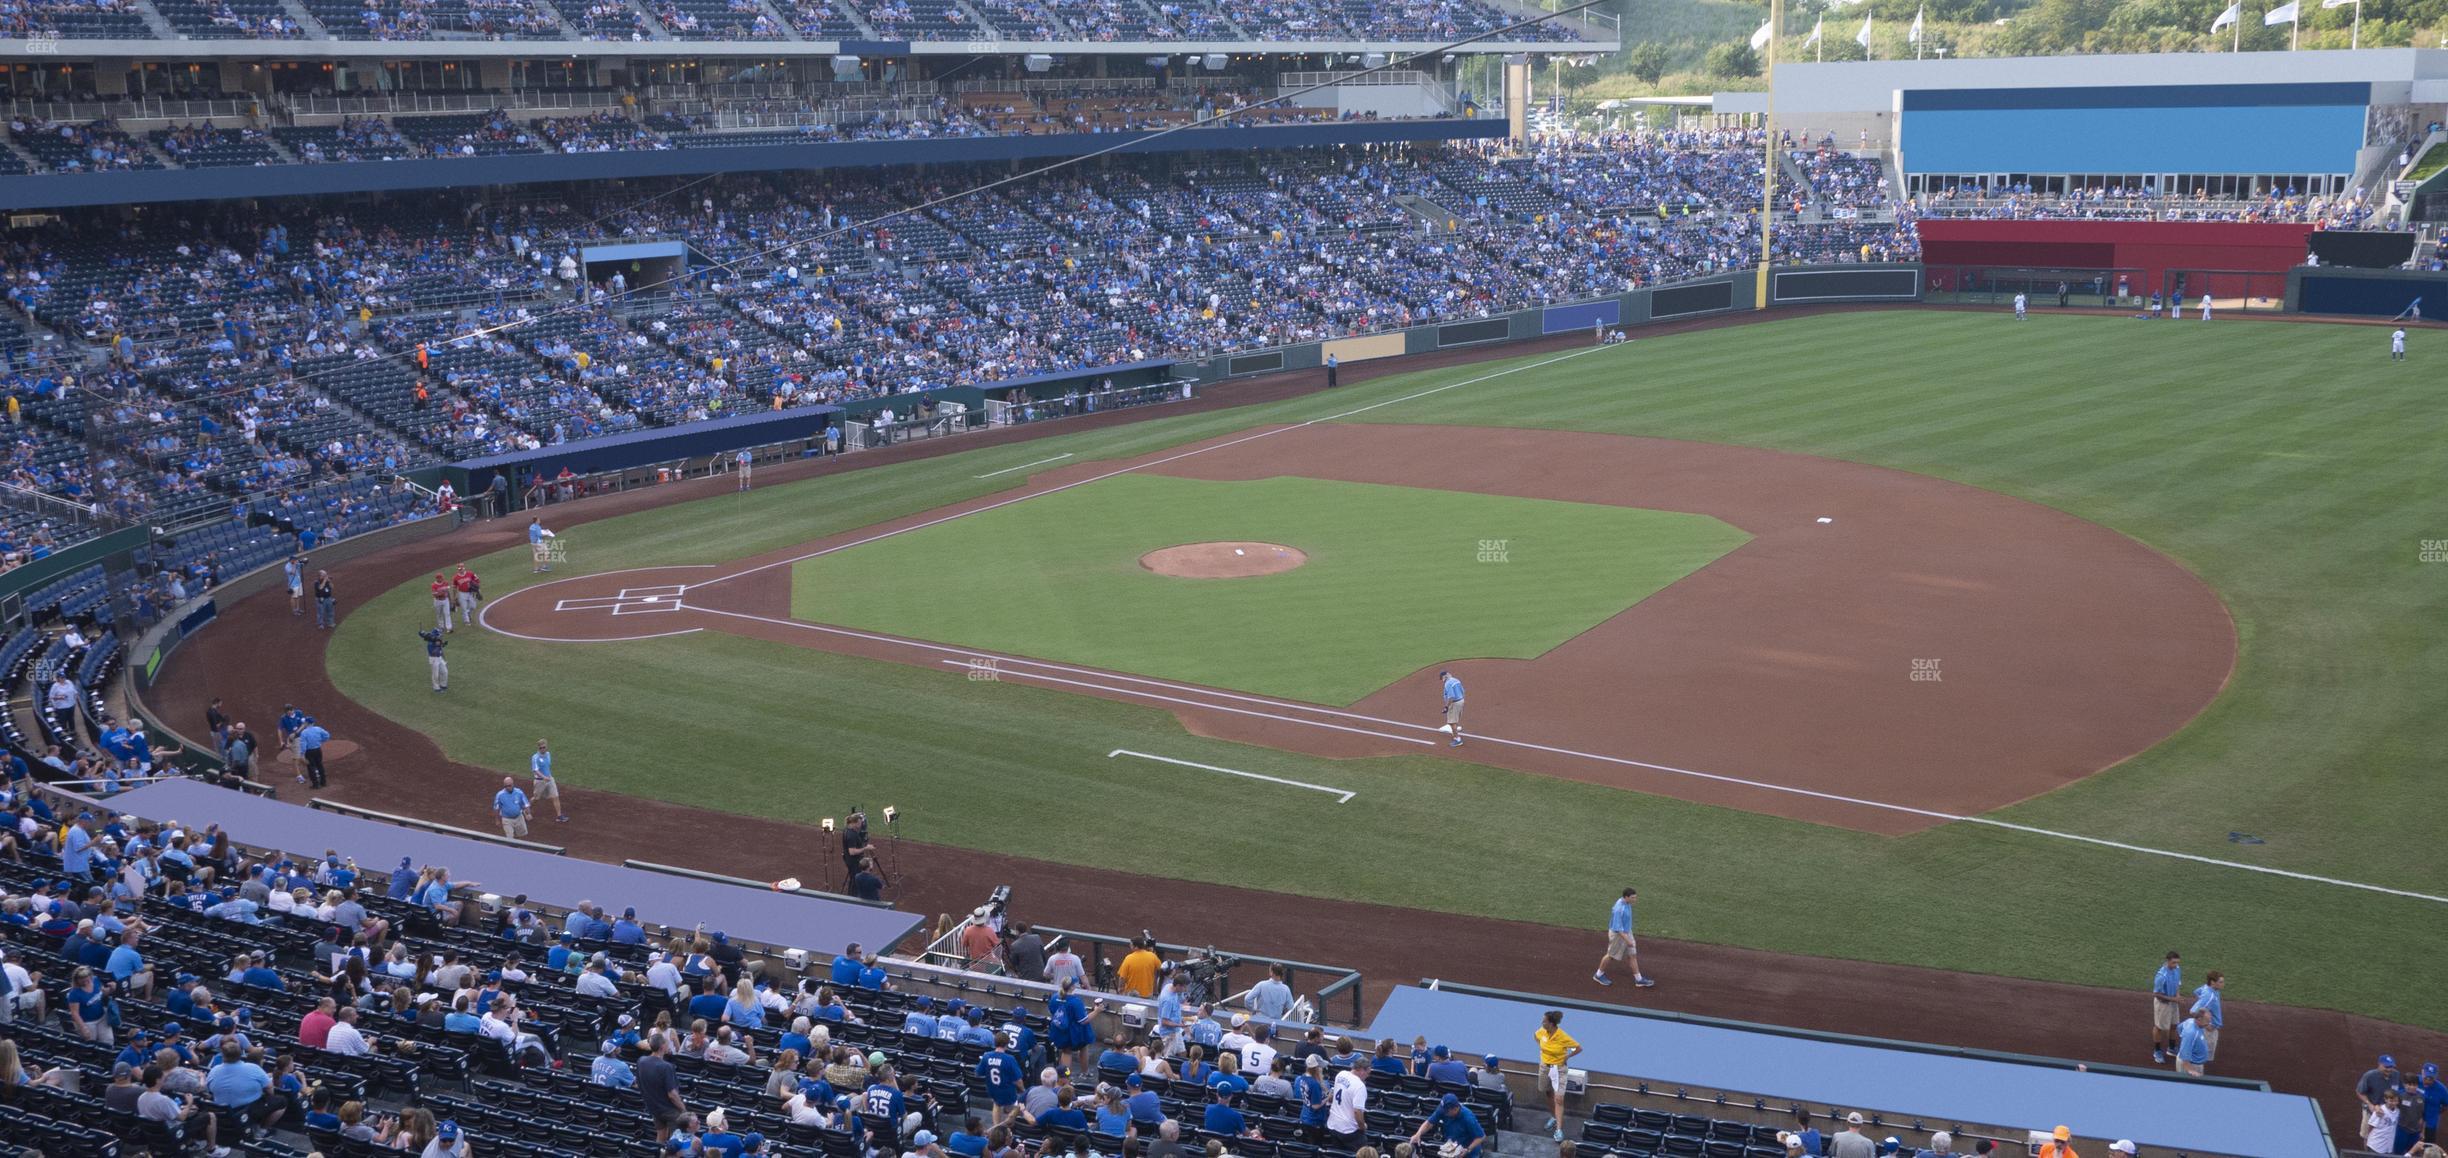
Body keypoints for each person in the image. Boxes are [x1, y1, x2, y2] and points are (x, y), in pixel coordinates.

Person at [1595, 887, 1655, 988]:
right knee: (1610, 955)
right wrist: (1628, 940)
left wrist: (1629, 937)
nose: (1634, 900)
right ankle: (1598, 975)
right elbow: (1617, 928)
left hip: (1627, 932)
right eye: (1632, 898)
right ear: (1626, 897)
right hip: (1618, 935)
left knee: (1632, 955)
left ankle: (1638, 979)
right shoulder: (1619, 909)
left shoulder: (1626, 902)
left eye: (1635, 897)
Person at [1533, 1010, 1577, 1140]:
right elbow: (1536, 1036)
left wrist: (1567, 1057)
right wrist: (1544, 1051)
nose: (1542, 1022)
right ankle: (1553, 1116)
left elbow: (1577, 1047)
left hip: (1558, 1070)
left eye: (1544, 1021)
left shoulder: (1563, 1037)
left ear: (1551, 1023)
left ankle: (1558, 1130)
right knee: (1547, 1092)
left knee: (1559, 1099)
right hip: (1544, 1067)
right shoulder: (1542, 1031)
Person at [1411, 1094, 1486, 1158]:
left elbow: (1481, 1137)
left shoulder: (1468, 1118)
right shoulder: (1443, 1109)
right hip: (1452, 1147)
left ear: (1456, 1108)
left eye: (1447, 1111)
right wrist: (1418, 1134)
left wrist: (1468, 1149)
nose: (1444, 1113)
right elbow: (1429, 1123)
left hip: (1468, 1151)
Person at [2149, 950, 2183, 1064]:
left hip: (2173, 1002)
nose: (2176, 965)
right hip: (2162, 1004)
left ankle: (2171, 1048)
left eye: (2177, 963)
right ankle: (2157, 1051)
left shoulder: (2177, 969)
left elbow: (2178, 983)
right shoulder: (2161, 976)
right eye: (2173, 963)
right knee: (2159, 1027)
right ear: (2167, 961)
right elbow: (2156, 994)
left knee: (2174, 1025)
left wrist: (2177, 996)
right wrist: (2174, 999)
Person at [2189, 971, 2224, 1061]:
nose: (2223, 984)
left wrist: (2206, 1009)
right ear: (2212, 982)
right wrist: (2206, 1024)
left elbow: (2196, 992)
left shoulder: (2207, 988)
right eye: (2220, 982)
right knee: (2201, 1056)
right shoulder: (2210, 996)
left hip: (2208, 1028)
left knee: (2200, 1054)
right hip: (2208, 1030)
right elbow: (2193, 1011)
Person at [531, 740, 566, 823]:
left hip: (550, 779)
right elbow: (535, 770)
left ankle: (559, 816)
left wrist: (548, 777)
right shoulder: (535, 757)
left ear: (546, 747)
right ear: (538, 748)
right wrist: (544, 777)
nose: (543, 749)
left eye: (544, 747)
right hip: (540, 781)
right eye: (541, 748)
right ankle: (526, 809)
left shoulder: (548, 754)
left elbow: (547, 767)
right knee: (536, 798)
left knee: (555, 796)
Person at [2174, 1008, 2212, 1076]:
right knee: (2186, 1085)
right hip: (2191, 1065)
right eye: (2207, 1021)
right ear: (2199, 1019)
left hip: (2194, 1063)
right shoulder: (2191, 1033)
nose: (2209, 1023)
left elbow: (2179, 1028)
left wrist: (2185, 1039)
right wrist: (2190, 1070)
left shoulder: (2190, 1020)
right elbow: (2184, 1054)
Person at [297, 716, 331, 789]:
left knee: (311, 767)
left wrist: (302, 754)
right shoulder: (318, 729)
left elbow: (303, 745)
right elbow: (327, 735)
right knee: (320, 765)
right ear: (313, 723)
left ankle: (316, 785)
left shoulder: (304, 732)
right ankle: (323, 782)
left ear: (307, 723)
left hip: (309, 752)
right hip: (318, 750)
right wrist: (321, 740)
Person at [1440, 669, 1466, 746]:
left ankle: (1457, 739)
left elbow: (1451, 697)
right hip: (1461, 700)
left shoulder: (1448, 683)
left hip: (1454, 703)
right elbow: (1463, 691)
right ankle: (1456, 731)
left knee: (1452, 722)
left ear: (1444, 677)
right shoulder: (1456, 680)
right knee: (1455, 718)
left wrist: (1446, 707)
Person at [421, 627, 450, 693]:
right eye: (439, 635)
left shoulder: (436, 639)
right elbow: (433, 653)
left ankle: (443, 685)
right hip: (434, 659)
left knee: (445, 672)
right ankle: (436, 688)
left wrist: (443, 644)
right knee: (435, 674)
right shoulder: (430, 644)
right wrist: (438, 646)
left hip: (440, 658)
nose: (440, 637)